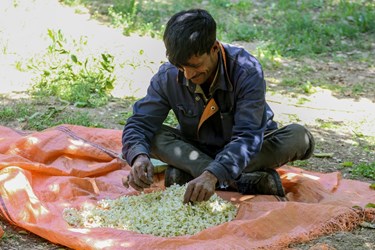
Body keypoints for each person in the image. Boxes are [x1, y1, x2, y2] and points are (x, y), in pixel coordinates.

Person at [121, 9, 314, 203]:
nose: (188, 75)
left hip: (248, 150)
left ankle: (195, 176)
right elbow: (139, 123)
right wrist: (139, 157)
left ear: (214, 48)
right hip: (197, 150)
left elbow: (248, 137)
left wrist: (212, 174)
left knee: (299, 137)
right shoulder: (167, 76)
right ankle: (240, 181)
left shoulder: (246, 71)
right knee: (151, 137)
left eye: (195, 66)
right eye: (180, 66)